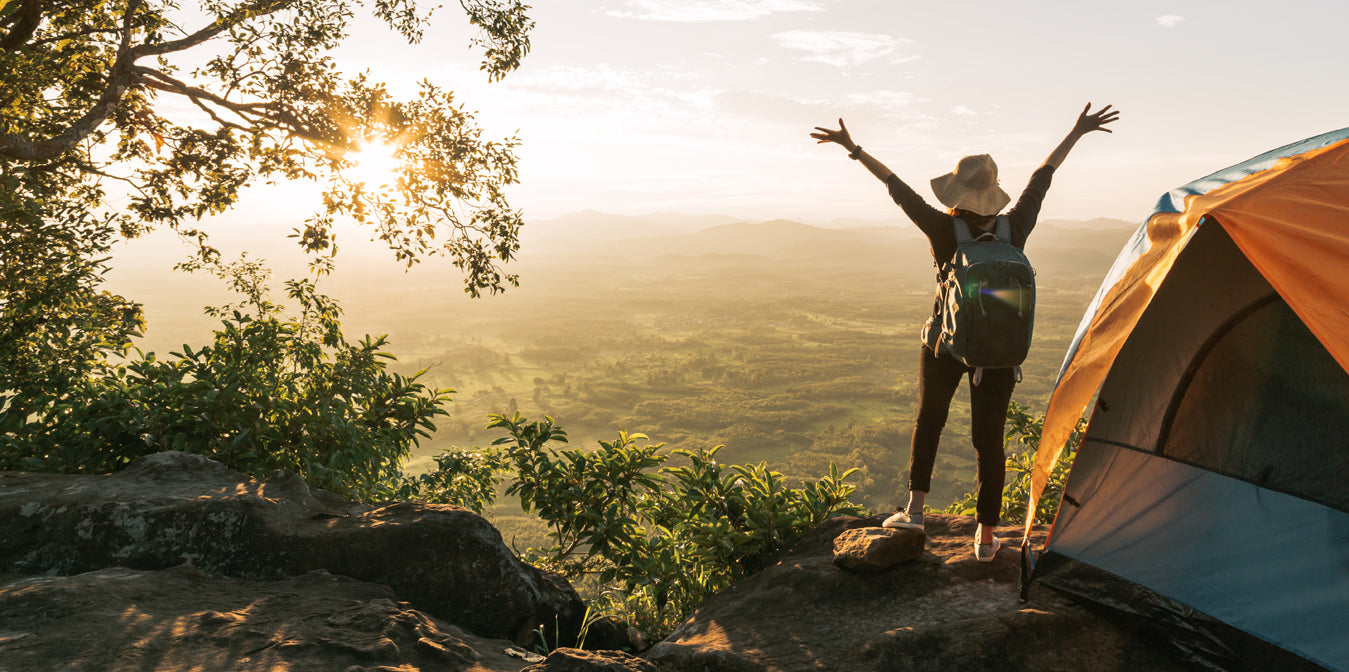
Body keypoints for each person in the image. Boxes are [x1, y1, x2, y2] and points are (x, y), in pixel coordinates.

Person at [810, 103, 1119, 562]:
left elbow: (898, 189)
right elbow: (1044, 175)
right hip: (997, 353)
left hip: (942, 343)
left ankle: (914, 511)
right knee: (988, 440)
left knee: (929, 420)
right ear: (994, 193)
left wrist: (853, 148)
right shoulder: (1017, 225)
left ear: (957, 190)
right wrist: (1077, 130)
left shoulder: (943, 228)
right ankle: (988, 537)